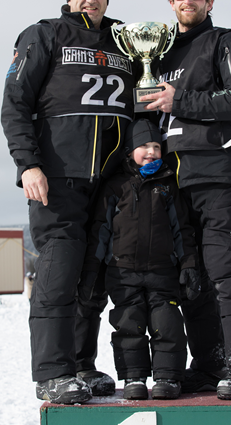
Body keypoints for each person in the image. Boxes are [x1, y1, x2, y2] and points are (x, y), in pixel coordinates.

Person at [1, 0, 136, 405]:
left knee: (92, 277)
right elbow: (15, 104)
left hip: (112, 180)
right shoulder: (45, 35)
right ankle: (52, 371)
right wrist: (27, 165)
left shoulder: (124, 41)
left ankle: (80, 363)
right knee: (59, 270)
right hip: (57, 176)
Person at [143, 0, 231, 401]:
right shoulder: (160, 55)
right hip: (174, 182)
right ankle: (211, 364)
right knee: (191, 280)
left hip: (220, 176)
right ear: (170, 2)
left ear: (209, 1)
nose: (187, 2)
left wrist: (183, 100)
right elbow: (150, 114)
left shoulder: (226, 41)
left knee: (227, 273)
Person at [79, 119, 201, 400]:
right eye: (144, 146)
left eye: (156, 146)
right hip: (122, 272)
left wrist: (189, 265)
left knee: (167, 323)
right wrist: (92, 271)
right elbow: (101, 231)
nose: (151, 152)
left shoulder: (168, 185)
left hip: (162, 272)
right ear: (129, 150)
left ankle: (167, 377)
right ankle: (134, 376)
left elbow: (182, 229)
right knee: (127, 324)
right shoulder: (115, 186)